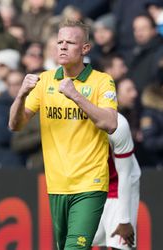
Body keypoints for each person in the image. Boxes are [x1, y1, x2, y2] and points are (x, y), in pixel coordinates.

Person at [9, 20, 118, 249]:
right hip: (57, 184)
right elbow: (15, 124)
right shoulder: (45, 80)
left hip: (90, 182)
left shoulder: (101, 81)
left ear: (85, 48)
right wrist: (21, 95)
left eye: (70, 42)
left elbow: (110, 123)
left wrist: (76, 95)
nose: (62, 47)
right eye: (59, 42)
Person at [92, 114, 141, 249]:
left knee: (119, 245)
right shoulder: (70, 119)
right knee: (79, 243)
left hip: (117, 189)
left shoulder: (118, 123)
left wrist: (124, 219)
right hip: (90, 190)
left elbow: (125, 173)